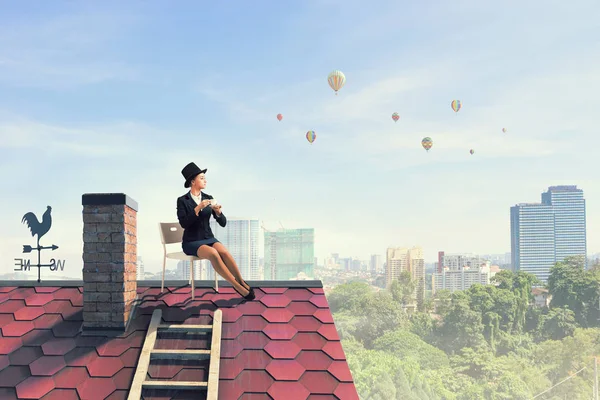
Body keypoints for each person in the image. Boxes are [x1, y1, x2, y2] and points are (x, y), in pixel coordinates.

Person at [177, 162, 255, 301]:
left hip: (208, 237)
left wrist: (218, 213)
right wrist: (197, 208)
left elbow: (223, 223)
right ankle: (235, 285)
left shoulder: (209, 197)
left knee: (224, 252)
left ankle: (241, 281)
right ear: (192, 181)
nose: (205, 180)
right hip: (192, 241)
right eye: (201, 178)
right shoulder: (182, 200)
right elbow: (184, 223)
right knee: (213, 253)